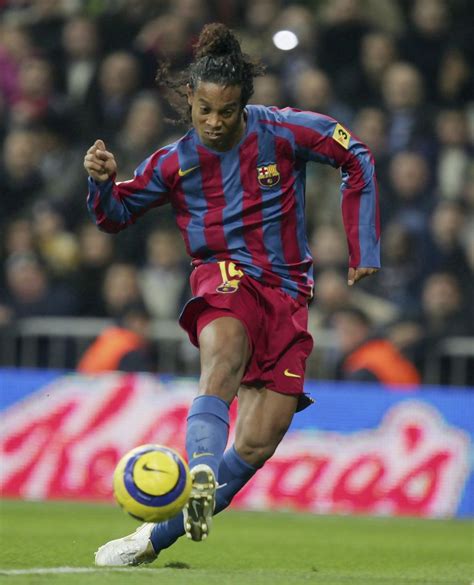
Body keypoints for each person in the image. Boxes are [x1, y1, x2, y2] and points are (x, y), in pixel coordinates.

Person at [83, 23, 380, 566]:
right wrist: (102, 182)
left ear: (245, 103)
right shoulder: (173, 162)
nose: (215, 123)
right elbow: (115, 216)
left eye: (227, 111)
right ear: (189, 102)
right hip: (223, 276)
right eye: (205, 112)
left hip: (288, 293)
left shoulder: (285, 132)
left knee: (255, 446)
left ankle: (149, 540)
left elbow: (355, 154)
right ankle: (199, 464)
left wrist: (362, 244)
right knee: (223, 358)